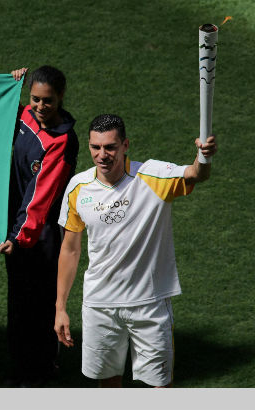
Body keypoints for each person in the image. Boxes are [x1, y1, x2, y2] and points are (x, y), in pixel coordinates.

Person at [54, 113, 217, 387]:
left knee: (159, 387)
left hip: (149, 305)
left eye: (110, 147)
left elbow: (195, 174)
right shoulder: (78, 187)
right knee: (108, 385)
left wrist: (203, 157)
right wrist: (60, 307)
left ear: (125, 145)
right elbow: (70, 250)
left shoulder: (152, 176)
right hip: (99, 305)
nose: (102, 155)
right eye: (96, 147)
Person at [0, 65, 79, 387]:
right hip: (17, 229)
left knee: (40, 305)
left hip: (41, 234)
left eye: (48, 101)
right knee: (18, 302)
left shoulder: (61, 140)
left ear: (60, 98)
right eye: (35, 99)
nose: (41, 108)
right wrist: (7, 84)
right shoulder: (26, 117)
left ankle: (43, 371)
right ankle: (20, 370)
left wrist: (19, 237)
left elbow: (40, 198)